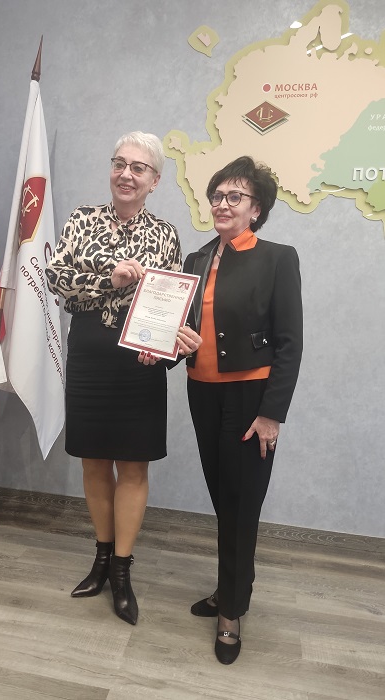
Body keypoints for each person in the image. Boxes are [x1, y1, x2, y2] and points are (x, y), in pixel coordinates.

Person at [45, 131, 199, 625]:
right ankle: (101, 556)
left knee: (133, 466)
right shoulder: (81, 220)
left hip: (139, 365)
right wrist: (106, 280)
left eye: (138, 168)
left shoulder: (166, 234)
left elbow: (173, 305)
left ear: (155, 181)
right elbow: (55, 279)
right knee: (94, 462)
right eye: (119, 163)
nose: (126, 174)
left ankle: (122, 571)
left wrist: (165, 348)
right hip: (90, 357)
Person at [183, 156, 303, 664]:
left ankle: (230, 612)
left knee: (241, 505)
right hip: (202, 394)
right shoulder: (195, 259)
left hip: (250, 400)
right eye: (217, 195)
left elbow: (290, 343)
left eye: (235, 197)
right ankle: (233, 589)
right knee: (225, 501)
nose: (223, 204)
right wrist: (163, 347)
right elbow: (182, 330)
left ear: (256, 209)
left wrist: (272, 412)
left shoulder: (277, 258)